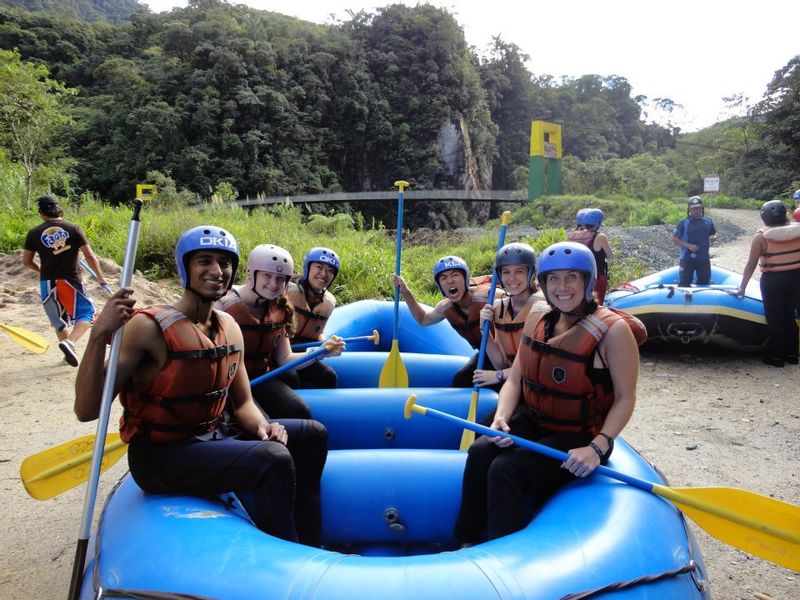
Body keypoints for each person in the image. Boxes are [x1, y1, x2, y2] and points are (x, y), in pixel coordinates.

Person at [74, 225, 328, 546]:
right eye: (204, 261)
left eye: (224, 263)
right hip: (162, 456)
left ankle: (311, 539)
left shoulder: (229, 327)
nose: (216, 271)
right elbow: (86, 410)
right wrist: (99, 336)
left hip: (213, 435)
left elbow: (244, 403)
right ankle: (286, 555)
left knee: (312, 435)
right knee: (272, 460)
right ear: (185, 267)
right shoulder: (147, 327)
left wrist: (264, 427)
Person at [454, 241, 644, 543]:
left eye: (572, 277)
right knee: (480, 450)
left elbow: (625, 398)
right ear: (543, 282)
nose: (562, 287)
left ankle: (504, 554)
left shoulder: (613, 331)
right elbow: (515, 380)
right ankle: (466, 540)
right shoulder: (538, 316)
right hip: (536, 419)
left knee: (507, 469)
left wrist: (597, 447)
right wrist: (501, 418)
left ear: (588, 281)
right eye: (553, 278)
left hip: (581, 435)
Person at [216, 244, 345, 419]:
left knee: (299, 411)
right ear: (251, 274)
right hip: (227, 384)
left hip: (259, 378)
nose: (273, 283)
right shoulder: (223, 305)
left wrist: (321, 352)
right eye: (267, 276)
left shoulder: (281, 308)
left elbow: (285, 358)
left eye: (280, 278)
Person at [393, 256, 505, 389]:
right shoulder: (445, 307)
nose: (450, 281)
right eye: (443, 278)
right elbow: (423, 319)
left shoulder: (491, 296)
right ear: (440, 286)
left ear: (466, 279)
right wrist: (405, 292)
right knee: (461, 380)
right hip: (485, 354)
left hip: (508, 353)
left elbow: (519, 303)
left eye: (455, 275)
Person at [22, 194, 108, 366]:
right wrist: (100, 277)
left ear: (41, 212)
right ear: (58, 208)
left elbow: (27, 262)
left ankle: (69, 354)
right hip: (70, 280)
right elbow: (90, 256)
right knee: (87, 313)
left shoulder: (34, 233)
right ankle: (70, 342)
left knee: (59, 321)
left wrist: (41, 270)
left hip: (47, 282)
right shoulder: (73, 228)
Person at [733, 201, 800, 367]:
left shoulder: (761, 237)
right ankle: (792, 354)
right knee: (790, 315)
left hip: (773, 280)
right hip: (795, 277)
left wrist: (742, 288)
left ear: (765, 217)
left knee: (775, 318)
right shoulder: (797, 232)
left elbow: (751, 264)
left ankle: (776, 356)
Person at [472, 243, 544, 389]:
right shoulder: (499, 308)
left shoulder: (542, 307)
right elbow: (500, 363)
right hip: (513, 381)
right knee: (462, 380)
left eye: (519, 271)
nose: (512, 278)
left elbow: (540, 365)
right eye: (506, 272)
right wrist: (483, 329)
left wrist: (499, 375)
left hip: (536, 385)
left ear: (531, 273)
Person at [286, 247, 341, 389]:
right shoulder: (286, 291)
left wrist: (327, 343)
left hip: (300, 353)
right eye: (319, 267)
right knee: (291, 377)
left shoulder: (328, 302)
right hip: (278, 354)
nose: (324, 274)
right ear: (308, 268)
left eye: (330, 270)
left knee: (329, 376)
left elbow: (317, 332)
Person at [567, 208, 613, 303]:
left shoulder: (572, 236)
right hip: (597, 277)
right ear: (597, 223)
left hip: (580, 277)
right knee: (597, 307)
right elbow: (610, 255)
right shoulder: (600, 237)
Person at [671, 196, 717, 286]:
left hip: (703, 258)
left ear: (702, 208)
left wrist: (713, 237)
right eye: (694, 209)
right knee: (684, 283)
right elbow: (674, 238)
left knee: (704, 283)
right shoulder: (683, 222)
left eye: (698, 208)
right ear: (689, 209)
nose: (696, 211)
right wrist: (689, 246)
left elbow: (713, 233)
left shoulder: (708, 221)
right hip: (687, 258)